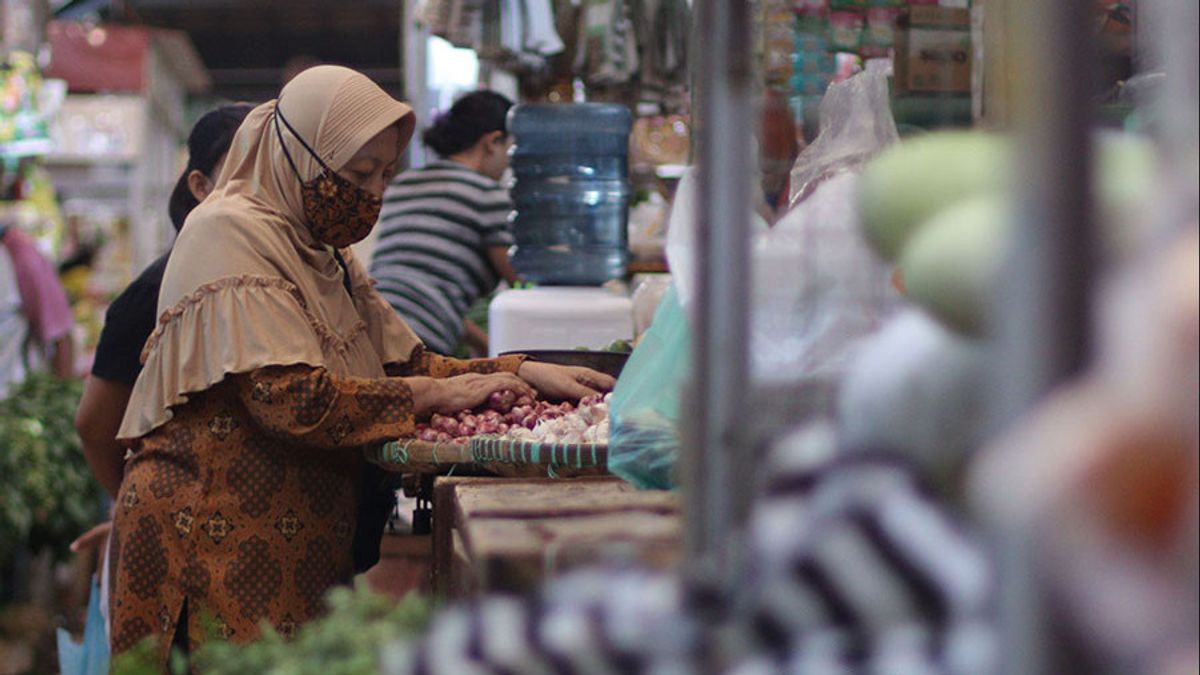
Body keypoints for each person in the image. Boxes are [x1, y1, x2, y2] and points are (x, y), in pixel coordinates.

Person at [106, 66, 612, 666]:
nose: (371, 193)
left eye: (384, 175)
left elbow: (405, 361)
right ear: (299, 156)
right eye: (356, 174)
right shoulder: (228, 232)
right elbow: (290, 399)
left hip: (291, 542)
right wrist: (431, 396)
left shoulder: (323, 250)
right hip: (209, 538)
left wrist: (522, 371)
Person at [74, 103, 254, 504]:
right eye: (242, 171)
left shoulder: (289, 278)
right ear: (200, 186)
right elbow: (95, 426)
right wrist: (137, 513)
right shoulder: (155, 293)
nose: (262, 188)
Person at [370, 90, 518, 357]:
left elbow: (424, 285)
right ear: (493, 142)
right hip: (420, 342)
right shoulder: (487, 194)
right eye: (510, 149)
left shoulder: (404, 184)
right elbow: (521, 283)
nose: (509, 161)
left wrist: (485, 346)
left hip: (369, 322)